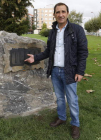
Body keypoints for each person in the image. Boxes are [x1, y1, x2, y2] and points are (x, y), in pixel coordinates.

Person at [25, 2, 88, 139]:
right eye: (58, 12)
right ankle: (62, 118)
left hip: (70, 71)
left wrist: (80, 71)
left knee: (72, 99)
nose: (61, 15)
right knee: (59, 98)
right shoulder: (53, 31)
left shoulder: (76, 30)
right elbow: (49, 51)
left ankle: (75, 124)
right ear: (54, 14)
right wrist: (35, 57)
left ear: (67, 13)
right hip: (55, 71)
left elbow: (83, 52)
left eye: (63, 12)